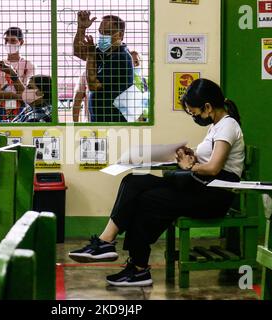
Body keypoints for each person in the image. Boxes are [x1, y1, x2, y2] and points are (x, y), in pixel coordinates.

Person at [69, 78, 245, 287]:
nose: (194, 117)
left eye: (194, 112)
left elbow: (214, 167)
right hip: (200, 187)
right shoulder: (217, 126)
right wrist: (192, 155)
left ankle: (137, 267)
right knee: (134, 180)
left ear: (207, 107)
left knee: (148, 200)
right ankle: (108, 242)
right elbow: (209, 158)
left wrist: (190, 167)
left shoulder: (228, 125)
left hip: (214, 196)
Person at [73, 11, 133, 122]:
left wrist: (91, 55)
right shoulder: (104, 51)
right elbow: (78, 51)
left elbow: (93, 86)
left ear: (120, 35)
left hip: (114, 122)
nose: (102, 36)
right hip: (100, 120)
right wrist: (81, 29)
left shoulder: (120, 57)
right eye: (100, 32)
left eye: (107, 32)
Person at [0, 27, 35, 121]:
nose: (8, 44)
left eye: (13, 40)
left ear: (21, 42)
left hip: (22, 110)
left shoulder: (28, 65)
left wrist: (4, 93)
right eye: (6, 40)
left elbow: (27, 93)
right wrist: (16, 96)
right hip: (0, 109)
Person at [130, 50, 149, 122]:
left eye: (136, 62)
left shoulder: (145, 81)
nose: (134, 64)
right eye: (131, 62)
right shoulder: (125, 79)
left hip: (144, 118)